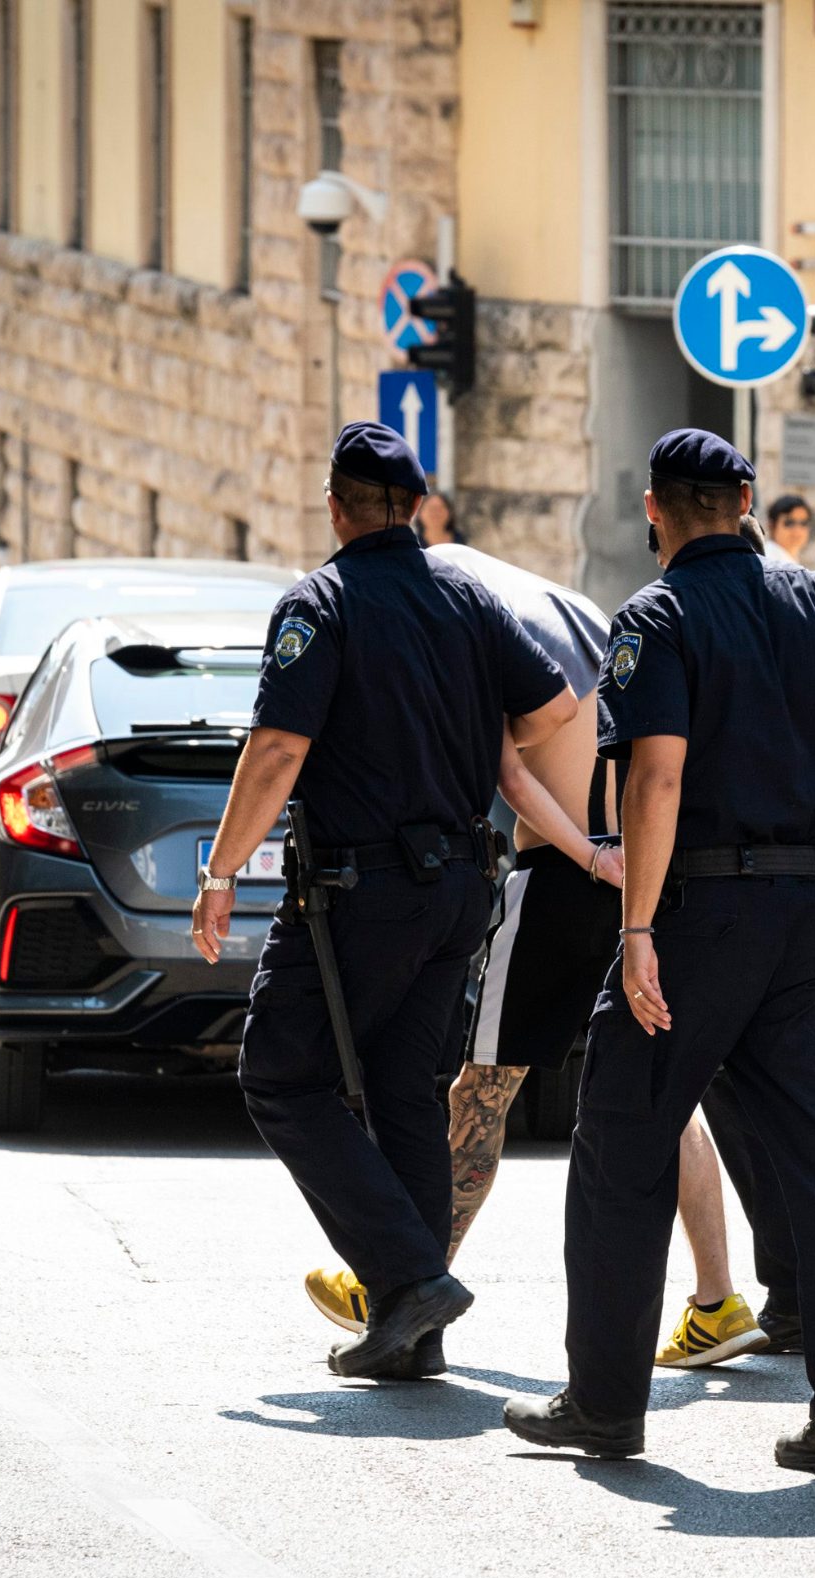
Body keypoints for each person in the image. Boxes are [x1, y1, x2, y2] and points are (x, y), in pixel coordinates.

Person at [503, 429, 815, 1473]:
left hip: (699, 916)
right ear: (746, 498)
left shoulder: (656, 616)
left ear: (655, 511)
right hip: (809, 922)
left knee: (620, 1145)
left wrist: (639, 931)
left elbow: (655, 781)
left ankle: (606, 1405)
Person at [298, 528, 780, 1373]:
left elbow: (512, 778)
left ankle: (403, 1282)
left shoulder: (466, 619)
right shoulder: (578, 612)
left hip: (563, 876)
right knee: (664, 1090)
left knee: (482, 1086)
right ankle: (716, 1301)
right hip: (643, 871)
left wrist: (585, 856)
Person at [191, 421, 577, 1381]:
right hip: (460, 888)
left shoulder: (320, 603)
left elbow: (278, 750)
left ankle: (408, 1280)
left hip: (362, 890)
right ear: (413, 506)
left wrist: (221, 872)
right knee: (405, 1091)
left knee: (283, 1078)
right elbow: (556, 709)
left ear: (335, 504)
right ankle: (416, 1339)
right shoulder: (469, 598)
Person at [763, 493, 812, 563]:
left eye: (803, 523)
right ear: (772, 526)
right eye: (789, 523)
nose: (797, 530)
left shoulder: (790, 560)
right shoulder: (768, 560)